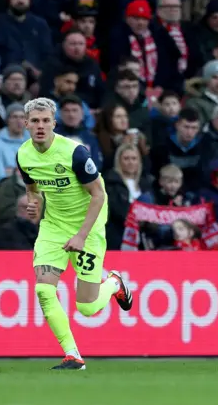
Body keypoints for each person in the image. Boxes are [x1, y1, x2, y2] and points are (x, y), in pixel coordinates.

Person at [15, 97, 133, 370]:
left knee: (88, 307)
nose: (40, 126)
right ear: (26, 124)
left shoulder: (75, 154)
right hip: (54, 225)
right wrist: (34, 203)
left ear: (54, 124)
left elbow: (99, 195)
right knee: (44, 289)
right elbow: (32, 186)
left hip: (88, 226)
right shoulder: (23, 155)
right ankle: (73, 355)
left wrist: (81, 235)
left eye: (46, 121)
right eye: (35, 121)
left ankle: (114, 283)